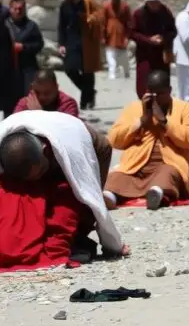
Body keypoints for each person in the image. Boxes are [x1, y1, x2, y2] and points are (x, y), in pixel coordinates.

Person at [0, 111, 127, 266]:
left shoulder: (71, 149)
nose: (39, 180)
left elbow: (92, 198)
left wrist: (112, 245)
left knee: (76, 200)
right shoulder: (6, 151)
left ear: (46, 152)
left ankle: (77, 236)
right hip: (41, 156)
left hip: (81, 145)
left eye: (40, 172)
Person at [104, 70, 189, 210]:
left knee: (168, 174)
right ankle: (110, 197)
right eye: (151, 93)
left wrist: (165, 122)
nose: (155, 98)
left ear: (169, 91)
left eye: (160, 94)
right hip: (136, 165)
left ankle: (157, 194)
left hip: (168, 164)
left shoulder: (184, 108)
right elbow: (114, 140)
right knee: (116, 177)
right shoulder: (134, 108)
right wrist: (141, 122)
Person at [57, 0, 104, 110]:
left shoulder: (88, 2)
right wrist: (61, 43)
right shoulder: (65, 5)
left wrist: (90, 19)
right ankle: (90, 92)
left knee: (87, 70)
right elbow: (61, 25)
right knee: (70, 69)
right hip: (71, 41)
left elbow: (100, 15)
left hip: (88, 39)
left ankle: (85, 102)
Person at [127, 0, 177, 100]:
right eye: (151, 2)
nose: (154, 4)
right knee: (143, 84)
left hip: (161, 55)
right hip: (145, 55)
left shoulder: (165, 12)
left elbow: (173, 31)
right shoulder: (138, 14)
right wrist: (148, 40)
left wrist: (163, 38)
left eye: (156, 1)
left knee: (162, 82)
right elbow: (132, 33)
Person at [7, 0, 44, 101]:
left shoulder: (31, 26)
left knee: (28, 97)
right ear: (10, 9)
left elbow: (39, 44)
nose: (18, 11)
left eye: (21, 9)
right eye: (15, 9)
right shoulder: (4, 25)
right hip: (9, 69)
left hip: (28, 69)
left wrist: (24, 47)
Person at [14, 70, 80, 117]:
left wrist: (39, 114)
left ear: (56, 87)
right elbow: (14, 124)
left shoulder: (68, 104)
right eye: (37, 92)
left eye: (47, 93)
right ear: (32, 87)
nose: (42, 97)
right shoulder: (26, 102)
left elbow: (67, 130)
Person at [101, 0, 131, 80]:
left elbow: (129, 23)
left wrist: (127, 37)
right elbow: (103, 22)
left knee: (124, 58)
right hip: (110, 36)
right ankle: (112, 74)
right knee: (111, 56)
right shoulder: (106, 6)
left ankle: (126, 73)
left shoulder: (125, 7)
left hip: (121, 37)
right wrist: (102, 36)